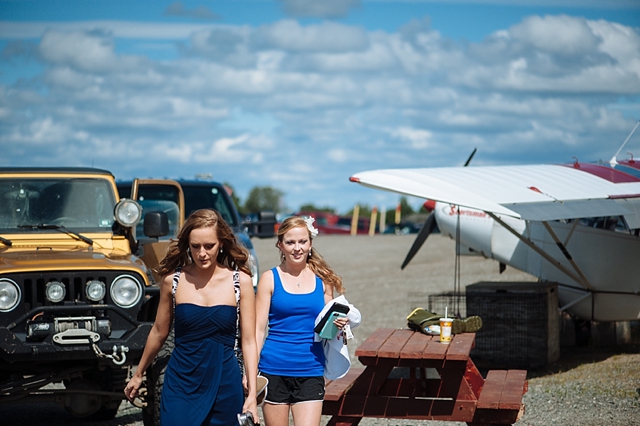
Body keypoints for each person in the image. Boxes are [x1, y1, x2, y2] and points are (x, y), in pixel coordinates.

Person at [124, 209, 259, 425]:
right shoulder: (173, 281)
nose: (202, 253)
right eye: (195, 246)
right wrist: (138, 373)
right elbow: (159, 332)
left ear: (221, 243)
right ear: (188, 245)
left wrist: (251, 393)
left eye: (209, 246)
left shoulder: (240, 281)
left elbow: (249, 341)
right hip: (181, 381)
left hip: (225, 382)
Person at [255, 216, 350, 426]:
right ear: (280, 244)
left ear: (310, 243)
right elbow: (258, 331)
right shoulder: (269, 278)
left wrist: (339, 325)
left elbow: (327, 328)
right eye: (290, 242)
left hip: (311, 369)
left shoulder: (324, 280)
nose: (297, 248)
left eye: (302, 241)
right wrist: (250, 374)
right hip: (273, 369)